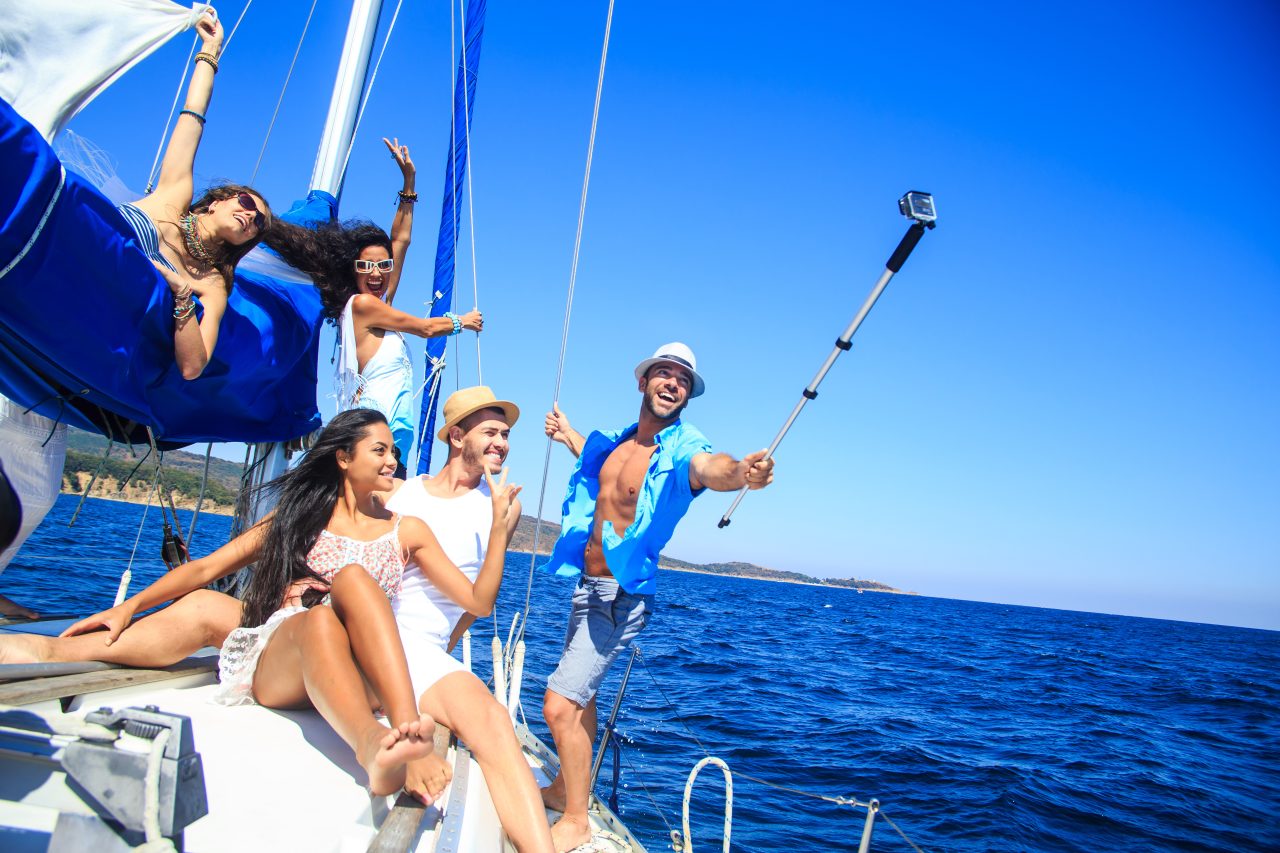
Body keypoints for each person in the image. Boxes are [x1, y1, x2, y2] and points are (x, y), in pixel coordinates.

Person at [0, 393, 556, 852]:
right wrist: (128, 606)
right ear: (343, 458)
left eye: (394, 451)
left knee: (354, 584)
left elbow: (477, 605)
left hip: (359, 667)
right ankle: (377, 744)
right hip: (289, 659)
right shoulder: (300, 517)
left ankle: (402, 733)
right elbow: (210, 567)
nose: (393, 461)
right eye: (381, 450)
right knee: (296, 608)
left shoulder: (405, 529)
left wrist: (502, 534)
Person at [538, 342, 776, 851]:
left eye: (683, 380)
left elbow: (712, 468)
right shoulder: (621, 442)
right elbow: (596, 463)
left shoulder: (685, 446)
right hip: (586, 586)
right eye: (664, 374)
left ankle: (576, 818)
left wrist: (741, 474)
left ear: (688, 395)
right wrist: (567, 434)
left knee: (558, 706)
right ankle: (564, 787)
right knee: (582, 701)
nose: (672, 384)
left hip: (619, 598)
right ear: (643, 382)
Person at [266, 141, 482, 476]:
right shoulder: (362, 306)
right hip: (370, 436)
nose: (377, 273)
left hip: (394, 438)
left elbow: (401, 240)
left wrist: (409, 184)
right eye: (367, 267)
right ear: (351, 269)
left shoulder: (379, 304)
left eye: (383, 266)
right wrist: (462, 321)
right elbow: (423, 328)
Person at [118, 11, 275, 379]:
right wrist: (210, 51)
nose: (251, 216)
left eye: (259, 224)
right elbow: (193, 117)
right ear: (219, 199)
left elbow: (193, 366)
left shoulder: (213, 283)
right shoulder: (174, 195)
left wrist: (182, 295)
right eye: (247, 203)